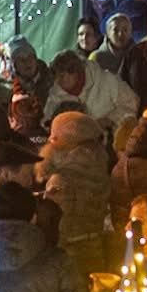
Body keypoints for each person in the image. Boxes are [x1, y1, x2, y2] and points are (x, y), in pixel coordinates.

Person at [38, 110, 111, 281]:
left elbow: (55, 222)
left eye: (54, 136)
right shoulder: (99, 167)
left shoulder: (62, 178)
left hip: (69, 255)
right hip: (95, 248)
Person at [44, 49, 138, 135]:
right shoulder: (55, 96)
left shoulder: (106, 81)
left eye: (62, 76)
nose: (57, 81)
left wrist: (110, 120)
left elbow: (131, 103)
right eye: (55, 77)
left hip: (111, 142)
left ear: (75, 71)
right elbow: (46, 123)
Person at [90, 11, 136, 77]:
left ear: (130, 32)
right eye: (116, 30)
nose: (120, 34)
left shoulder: (140, 56)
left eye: (125, 30)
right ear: (108, 33)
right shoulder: (96, 57)